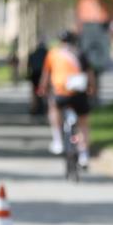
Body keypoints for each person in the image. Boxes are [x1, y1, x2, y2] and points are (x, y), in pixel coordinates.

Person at [37, 30, 95, 168]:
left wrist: (42, 88)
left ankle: (57, 140)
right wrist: (92, 88)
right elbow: (90, 73)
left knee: (53, 107)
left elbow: (46, 74)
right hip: (79, 93)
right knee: (83, 124)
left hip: (61, 92)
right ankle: (84, 155)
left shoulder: (53, 53)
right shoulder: (80, 53)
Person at [26, 40, 48, 120]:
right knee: (45, 91)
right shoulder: (47, 53)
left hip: (34, 75)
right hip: (43, 74)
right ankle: (45, 108)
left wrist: (28, 75)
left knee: (34, 92)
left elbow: (29, 66)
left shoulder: (32, 54)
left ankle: (34, 108)